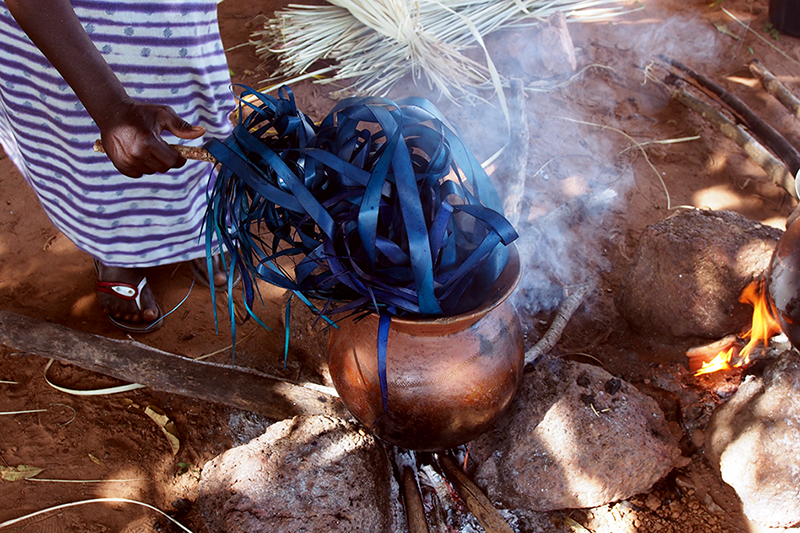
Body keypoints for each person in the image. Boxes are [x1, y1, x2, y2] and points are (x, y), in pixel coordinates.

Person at [0, 0, 237, 331]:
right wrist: (110, 106)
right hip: (66, 38)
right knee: (89, 161)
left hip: (177, 26)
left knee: (191, 133)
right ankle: (114, 254)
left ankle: (197, 229)